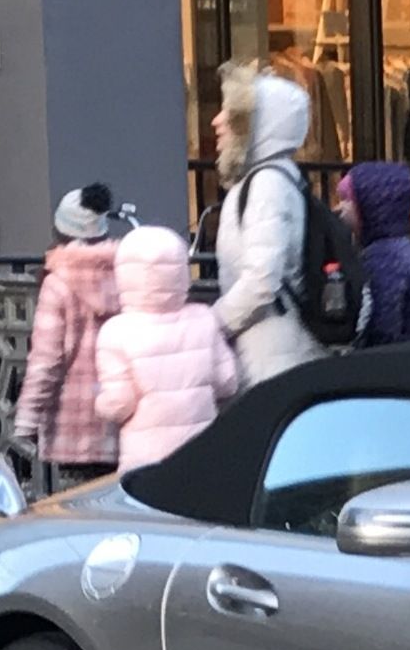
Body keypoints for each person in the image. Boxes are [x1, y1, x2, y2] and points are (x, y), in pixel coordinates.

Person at [210, 60, 327, 383]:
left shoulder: (266, 186)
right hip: (273, 349)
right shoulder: (272, 180)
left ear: (260, 126)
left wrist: (211, 325)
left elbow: (261, 281)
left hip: (271, 359)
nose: (217, 122)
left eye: (232, 116)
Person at [93, 226, 240, 470]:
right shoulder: (204, 318)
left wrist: (100, 403)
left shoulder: (116, 331)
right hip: (203, 447)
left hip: (147, 458)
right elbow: (228, 382)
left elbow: (120, 404)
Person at [12, 182, 124, 487]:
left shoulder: (58, 284)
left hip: (73, 432)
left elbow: (46, 362)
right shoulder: (127, 274)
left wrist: (25, 423)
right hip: (122, 423)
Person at [339, 161, 410, 346]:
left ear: (370, 205)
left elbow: (383, 325)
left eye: (347, 200)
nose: (341, 207)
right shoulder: (401, 248)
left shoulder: (383, 259)